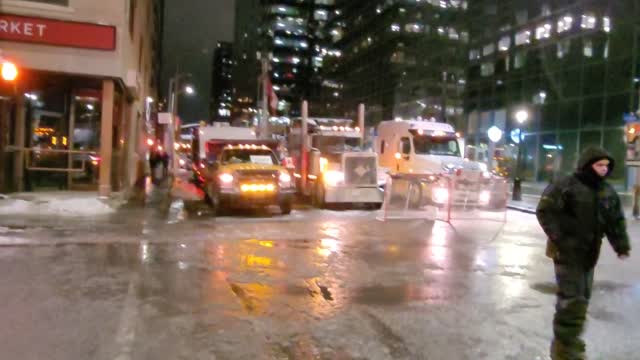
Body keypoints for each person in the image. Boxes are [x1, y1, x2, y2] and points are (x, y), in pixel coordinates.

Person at [536, 146, 631, 360]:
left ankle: (569, 342)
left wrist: (621, 245)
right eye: (599, 165)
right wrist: (561, 237)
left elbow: (615, 222)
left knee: (582, 298)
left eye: (607, 166)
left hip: (589, 254)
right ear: (588, 165)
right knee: (572, 300)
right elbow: (545, 210)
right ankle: (565, 349)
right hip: (566, 253)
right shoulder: (566, 185)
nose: (604, 169)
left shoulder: (606, 192)